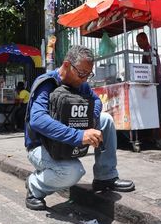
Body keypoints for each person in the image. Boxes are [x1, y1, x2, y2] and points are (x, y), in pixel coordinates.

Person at [24, 45, 135, 211]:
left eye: (88, 75)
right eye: (82, 73)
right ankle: (34, 186)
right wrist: (79, 135)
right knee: (73, 172)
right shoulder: (46, 83)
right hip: (40, 146)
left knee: (105, 120)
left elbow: (96, 101)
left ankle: (106, 176)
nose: (85, 79)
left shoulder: (80, 84)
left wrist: (90, 118)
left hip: (64, 142)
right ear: (67, 65)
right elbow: (38, 120)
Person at [136, 32, 161, 145]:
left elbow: (152, 68)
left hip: (157, 84)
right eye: (137, 42)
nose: (138, 44)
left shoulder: (151, 51)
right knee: (153, 111)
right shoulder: (146, 52)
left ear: (145, 39)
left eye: (139, 41)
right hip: (154, 84)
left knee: (155, 111)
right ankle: (155, 136)